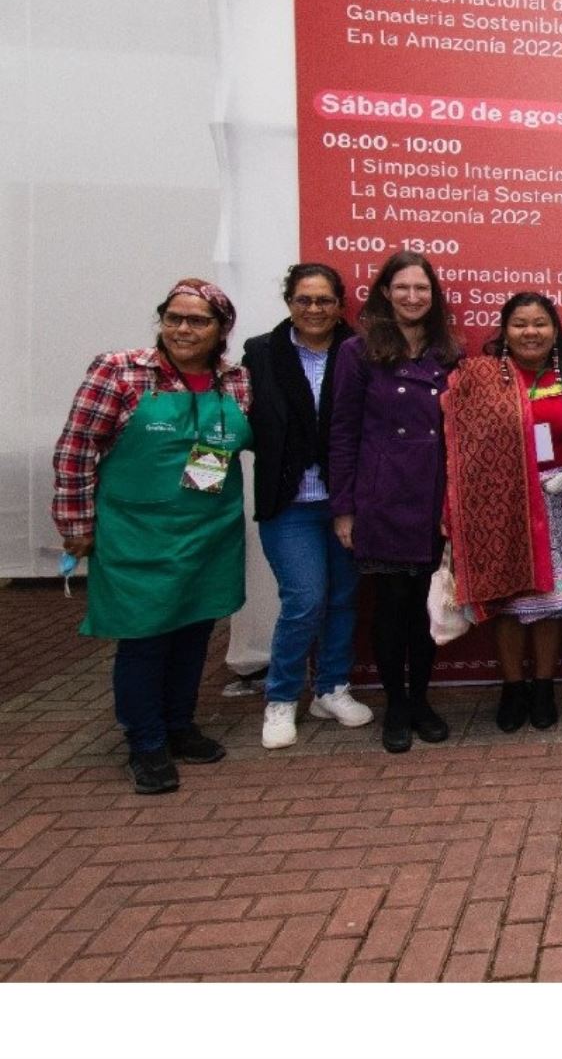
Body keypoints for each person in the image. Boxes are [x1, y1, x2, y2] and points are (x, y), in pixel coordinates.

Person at [52, 278, 252, 793]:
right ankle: (145, 742)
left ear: (221, 330)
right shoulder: (120, 372)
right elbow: (77, 450)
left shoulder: (235, 381)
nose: (184, 329)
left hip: (207, 531)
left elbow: (214, 452)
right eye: (175, 317)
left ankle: (180, 726)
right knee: (145, 638)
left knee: (194, 634)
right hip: (137, 534)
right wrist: (76, 525)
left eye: (198, 320)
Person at [329, 252, 461, 754]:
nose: (412, 297)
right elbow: (342, 433)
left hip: (434, 496)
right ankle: (396, 706)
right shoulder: (358, 352)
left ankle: (422, 700)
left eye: (421, 289)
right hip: (381, 497)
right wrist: (344, 507)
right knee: (391, 607)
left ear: (434, 296)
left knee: (428, 607)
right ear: (385, 292)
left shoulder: (449, 353)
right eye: (402, 287)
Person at [443, 292, 562, 733]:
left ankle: (543, 687)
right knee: (507, 600)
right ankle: (512, 688)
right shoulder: (481, 376)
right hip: (500, 503)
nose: (531, 332)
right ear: (505, 331)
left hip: (558, 500)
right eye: (520, 324)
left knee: (549, 603)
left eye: (541, 323)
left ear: (555, 329)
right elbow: (459, 441)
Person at [242, 263, 372, 749]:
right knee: (305, 600)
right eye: (304, 300)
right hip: (290, 502)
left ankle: (331, 689)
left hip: (346, 502)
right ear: (289, 302)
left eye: (324, 301)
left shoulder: (358, 351)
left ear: (340, 305)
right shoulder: (261, 353)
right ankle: (280, 698)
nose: (314, 310)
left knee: (342, 598)